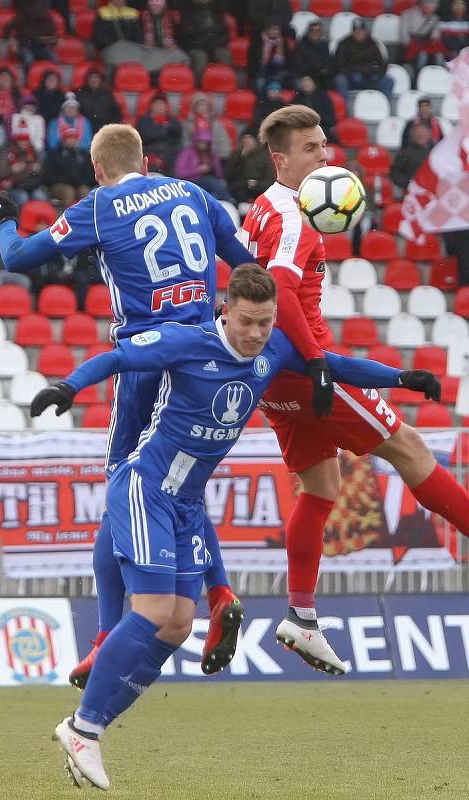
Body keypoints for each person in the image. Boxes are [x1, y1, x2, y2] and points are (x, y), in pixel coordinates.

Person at [29, 264, 439, 789]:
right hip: (146, 487)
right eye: (246, 322)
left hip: (186, 503)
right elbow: (118, 357)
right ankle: (84, 727)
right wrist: (68, 385)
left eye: (265, 323)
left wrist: (402, 378)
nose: (255, 334)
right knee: (154, 610)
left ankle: (87, 724)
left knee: (177, 625)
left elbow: (331, 364)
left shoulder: (274, 350)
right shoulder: (187, 343)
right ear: (226, 310)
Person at [0, 122, 266, 689]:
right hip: (208, 351)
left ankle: (106, 636)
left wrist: (4, 217)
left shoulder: (99, 205)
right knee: (177, 484)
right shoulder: (193, 192)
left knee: (125, 487)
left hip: (146, 356)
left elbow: (16, 260)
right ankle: (217, 593)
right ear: (147, 159)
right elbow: (243, 268)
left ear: (97, 169)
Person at [241, 104, 469, 672]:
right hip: (305, 365)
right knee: (409, 447)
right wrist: (319, 362)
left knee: (321, 486)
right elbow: (283, 292)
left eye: (325, 144)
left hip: (272, 374)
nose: (326, 155)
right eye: (312, 148)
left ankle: (300, 616)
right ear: (281, 158)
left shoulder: (263, 209)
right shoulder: (294, 215)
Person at [334, 18, 394, 102]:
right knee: (340, 79)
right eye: (356, 30)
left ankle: (387, 109)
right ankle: (345, 110)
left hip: (371, 78)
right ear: (352, 31)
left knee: (388, 80)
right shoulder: (344, 44)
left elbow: (382, 64)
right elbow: (339, 65)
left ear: (365, 31)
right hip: (352, 79)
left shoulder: (373, 44)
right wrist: (354, 71)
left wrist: (375, 72)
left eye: (361, 30)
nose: (359, 32)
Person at [176, 0, 231, 86]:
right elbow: (186, 35)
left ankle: (223, 85)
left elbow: (225, 34)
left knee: (225, 55)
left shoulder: (216, 12)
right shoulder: (187, 12)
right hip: (196, 47)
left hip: (214, 46)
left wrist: (217, 43)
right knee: (201, 57)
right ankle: (198, 87)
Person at [174, 128, 234, 202]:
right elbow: (179, 173)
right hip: (191, 183)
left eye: (206, 142)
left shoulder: (212, 154)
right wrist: (198, 170)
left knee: (215, 193)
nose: (203, 144)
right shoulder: (187, 153)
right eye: (201, 142)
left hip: (209, 184)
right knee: (209, 181)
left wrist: (212, 170)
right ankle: (230, 200)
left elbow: (219, 173)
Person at [43, 126, 95, 205]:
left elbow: (90, 176)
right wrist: (65, 179)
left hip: (79, 184)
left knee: (85, 191)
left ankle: (86, 216)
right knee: (68, 191)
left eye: (75, 138)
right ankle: (68, 216)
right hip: (59, 184)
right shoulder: (54, 154)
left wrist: (80, 181)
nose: (72, 140)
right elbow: (47, 177)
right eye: (69, 138)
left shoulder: (84, 155)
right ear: (63, 139)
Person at [224, 127, 274, 210]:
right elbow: (230, 175)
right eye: (244, 138)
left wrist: (257, 184)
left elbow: (269, 179)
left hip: (258, 188)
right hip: (241, 188)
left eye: (249, 138)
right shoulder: (236, 155)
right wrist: (241, 158)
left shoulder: (264, 156)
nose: (247, 141)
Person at [4, 0, 58, 69]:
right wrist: (11, 39)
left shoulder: (47, 19)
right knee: (28, 58)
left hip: (41, 47)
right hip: (23, 46)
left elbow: (54, 39)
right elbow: (7, 28)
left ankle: (50, 78)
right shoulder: (22, 15)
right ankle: (27, 78)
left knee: (54, 58)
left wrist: (43, 40)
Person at [137, 94, 182, 173]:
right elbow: (146, 136)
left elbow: (177, 135)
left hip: (169, 155)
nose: (160, 106)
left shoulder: (172, 120)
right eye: (157, 104)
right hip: (150, 152)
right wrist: (164, 130)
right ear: (151, 106)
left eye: (162, 104)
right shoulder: (144, 121)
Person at [400, 0, 445, 74]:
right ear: (423, 3)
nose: (435, 6)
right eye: (432, 3)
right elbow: (404, 37)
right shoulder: (407, 14)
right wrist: (414, 47)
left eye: (436, 3)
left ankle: (439, 77)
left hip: (427, 46)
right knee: (422, 55)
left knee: (439, 55)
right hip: (411, 47)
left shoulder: (435, 18)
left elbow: (436, 37)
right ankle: (417, 79)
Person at [92, 0, 143, 66]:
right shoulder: (102, 12)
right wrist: (117, 49)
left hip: (131, 52)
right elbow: (99, 37)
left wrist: (130, 49)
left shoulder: (133, 13)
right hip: (110, 52)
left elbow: (138, 35)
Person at [75, 69, 122, 135]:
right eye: (91, 77)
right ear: (87, 80)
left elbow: (117, 113)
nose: (94, 80)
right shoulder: (79, 94)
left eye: (96, 77)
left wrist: (111, 125)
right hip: (84, 127)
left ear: (101, 80)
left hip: (103, 127)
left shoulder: (107, 94)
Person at [391, 122, 433, 190]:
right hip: (411, 192)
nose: (422, 135)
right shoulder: (405, 153)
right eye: (419, 133)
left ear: (429, 135)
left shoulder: (434, 153)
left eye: (424, 133)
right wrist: (410, 184)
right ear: (413, 135)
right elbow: (396, 174)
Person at [292, 21, 333, 89]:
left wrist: (324, 70)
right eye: (312, 30)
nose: (315, 33)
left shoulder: (324, 46)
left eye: (317, 31)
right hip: (304, 76)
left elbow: (327, 63)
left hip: (320, 77)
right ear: (308, 32)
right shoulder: (300, 46)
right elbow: (297, 65)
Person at [293, 75, 336, 141]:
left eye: (307, 81)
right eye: (303, 81)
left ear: (313, 82)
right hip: (303, 129)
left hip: (322, 127)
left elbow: (331, 118)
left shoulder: (323, 96)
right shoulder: (297, 99)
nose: (305, 83)